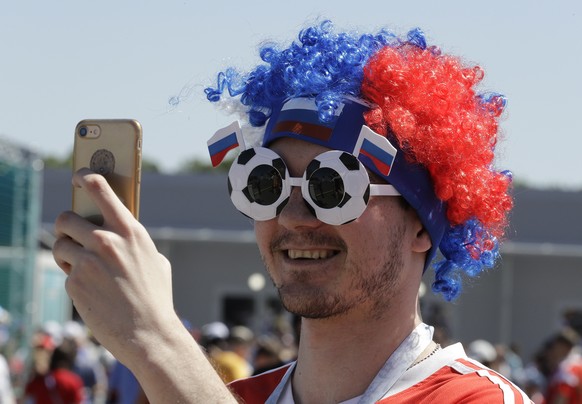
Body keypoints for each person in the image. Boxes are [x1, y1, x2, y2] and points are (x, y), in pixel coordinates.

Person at [53, 20, 529, 403]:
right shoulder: (235, 398)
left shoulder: (473, 398)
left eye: (332, 185)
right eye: (267, 182)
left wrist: (159, 342)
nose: (293, 216)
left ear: (420, 225)